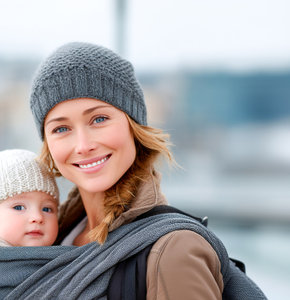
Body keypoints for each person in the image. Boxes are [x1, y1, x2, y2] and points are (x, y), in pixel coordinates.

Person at [28, 42, 265, 299]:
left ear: (133, 124)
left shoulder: (173, 251)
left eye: (99, 119)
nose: (83, 146)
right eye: (61, 129)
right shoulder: (48, 238)